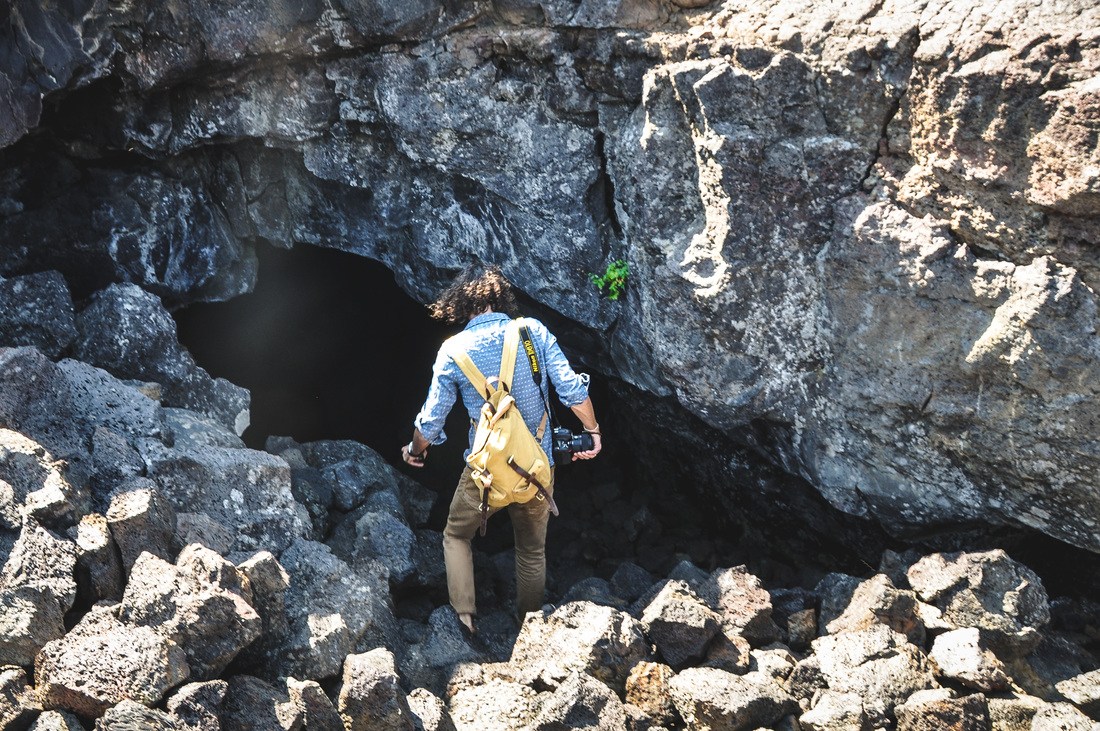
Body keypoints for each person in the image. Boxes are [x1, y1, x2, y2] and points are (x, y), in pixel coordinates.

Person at [402, 265, 601, 634]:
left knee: (456, 535)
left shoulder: (452, 351)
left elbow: (431, 421)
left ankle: (464, 620)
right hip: (536, 470)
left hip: (485, 475)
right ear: (498, 298)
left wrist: (416, 450)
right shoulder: (532, 332)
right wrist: (593, 430)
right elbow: (573, 391)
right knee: (531, 551)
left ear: (461, 304)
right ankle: (529, 628)